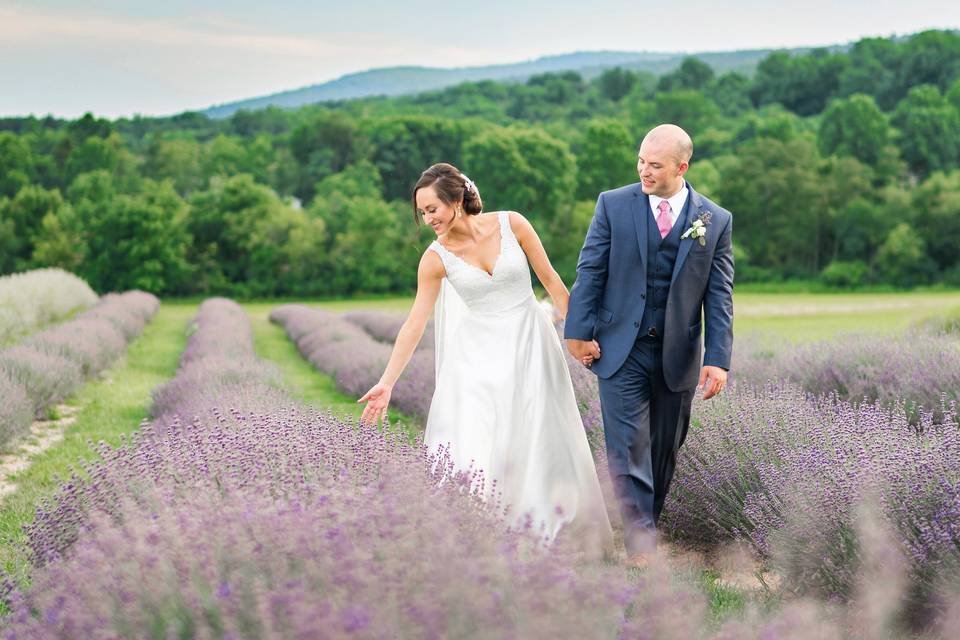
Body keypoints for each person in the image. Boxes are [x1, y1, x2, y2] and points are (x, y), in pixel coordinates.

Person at [358, 163, 613, 553]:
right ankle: (482, 534)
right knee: (480, 437)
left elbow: (552, 283)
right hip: (476, 358)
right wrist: (387, 381)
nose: (427, 219)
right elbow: (414, 324)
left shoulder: (513, 224)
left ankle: (543, 527)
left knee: (537, 430)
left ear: (457, 200)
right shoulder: (434, 259)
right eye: (422, 213)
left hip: (530, 342)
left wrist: (578, 337)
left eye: (432, 209)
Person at [565, 124, 734, 568]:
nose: (643, 170)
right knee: (627, 445)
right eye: (641, 161)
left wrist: (718, 360)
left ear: (681, 167)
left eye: (654, 165)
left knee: (664, 448)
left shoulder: (715, 220)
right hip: (620, 348)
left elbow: (719, 295)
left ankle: (647, 524)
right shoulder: (612, 205)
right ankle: (640, 543)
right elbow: (591, 271)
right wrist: (577, 332)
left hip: (678, 353)